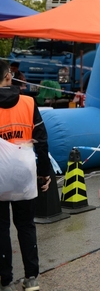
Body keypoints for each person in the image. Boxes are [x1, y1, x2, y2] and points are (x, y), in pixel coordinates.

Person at [0, 59, 51, 291]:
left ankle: (6, 280)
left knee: (1, 228)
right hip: (24, 173)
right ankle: (31, 278)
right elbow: (41, 141)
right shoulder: (28, 102)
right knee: (26, 225)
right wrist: (44, 174)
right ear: (9, 76)